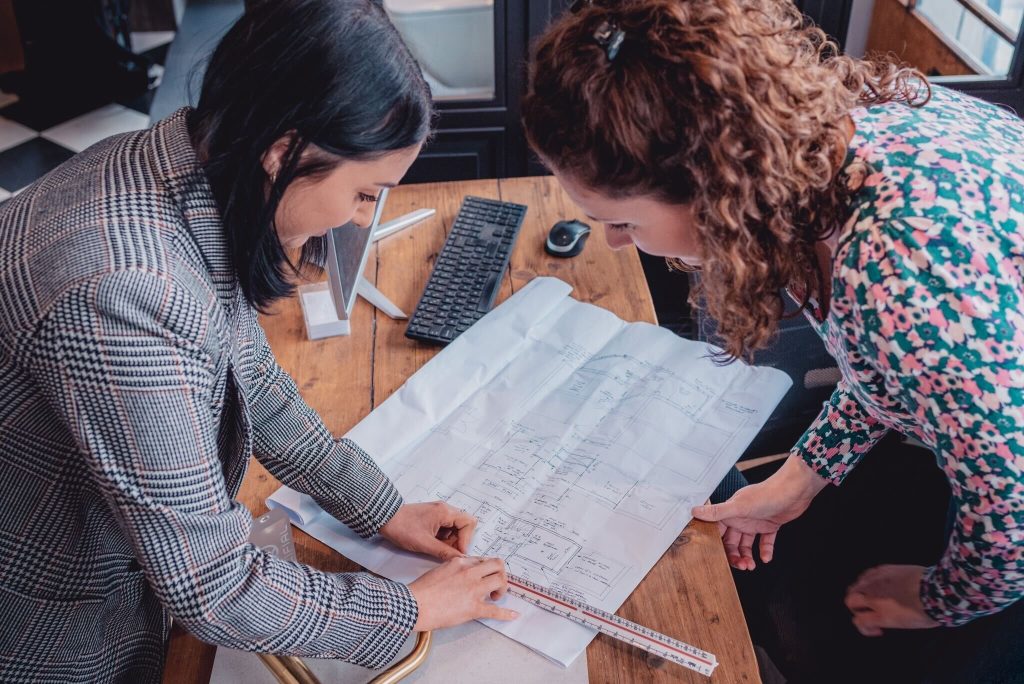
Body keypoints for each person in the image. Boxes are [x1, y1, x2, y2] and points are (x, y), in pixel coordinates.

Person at [0, 1, 516, 681]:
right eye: (366, 193)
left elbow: (249, 374)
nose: (360, 217)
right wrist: (407, 609)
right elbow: (212, 586)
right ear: (283, 151)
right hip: (56, 628)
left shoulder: (188, 167)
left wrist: (380, 508)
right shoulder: (123, 292)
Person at [522, 0, 1023, 681]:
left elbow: (1013, 510)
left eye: (621, 222)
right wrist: (803, 473)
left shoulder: (896, 272)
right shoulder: (835, 147)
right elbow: (895, 365)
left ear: (710, 190)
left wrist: (938, 599)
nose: (612, 240)